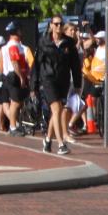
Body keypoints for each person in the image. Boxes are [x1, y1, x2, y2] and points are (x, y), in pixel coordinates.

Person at [36, 15, 80, 155]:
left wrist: (78, 84)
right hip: (48, 79)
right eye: (56, 24)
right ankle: (61, 144)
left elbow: (75, 65)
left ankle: (48, 140)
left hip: (63, 80)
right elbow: (37, 64)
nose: (58, 27)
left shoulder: (69, 43)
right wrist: (33, 85)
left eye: (61, 24)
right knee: (56, 109)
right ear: (51, 25)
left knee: (58, 110)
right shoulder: (44, 42)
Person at [2, 26, 29, 132]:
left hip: (14, 74)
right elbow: (14, 62)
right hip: (14, 74)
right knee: (15, 102)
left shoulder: (14, 45)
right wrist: (21, 77)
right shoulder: (13, 45)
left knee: (18, 102)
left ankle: (15, 125)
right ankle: (13, 126)